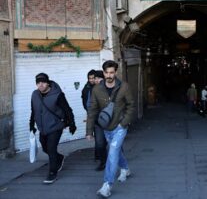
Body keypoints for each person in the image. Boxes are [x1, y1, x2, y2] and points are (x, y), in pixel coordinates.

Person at [86, 60, 135, 197]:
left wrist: (124, 123)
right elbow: (92, 110)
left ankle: (107, 185)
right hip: (105, 127)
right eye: (106, 72)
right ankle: (125, 169)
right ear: (103, 73)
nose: (109, 75)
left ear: (115, 72)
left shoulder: (124, 87)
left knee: (112, 152)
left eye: (111, 72)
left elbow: (131, 105)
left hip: (120, 127)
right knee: (116, 151)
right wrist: (89, 131)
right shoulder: (97, 89)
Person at [29, 73, 76, 184]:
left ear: (48, 83)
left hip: (55, 126)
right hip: (43, 128)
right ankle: (59, 158)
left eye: (43, 82)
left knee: (51, 148)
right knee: (45, 148)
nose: (40, 85)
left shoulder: (58, 95)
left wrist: (72, 123)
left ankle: (52, 173)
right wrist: (31, 125)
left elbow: (67, 110)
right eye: (38, 82)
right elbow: (33, 111)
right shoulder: (35, 95)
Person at [82, 69, 107, 171]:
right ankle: (103, 162)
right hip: (98, 122)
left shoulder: (111, 88)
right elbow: (90, 108)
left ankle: (121, 164)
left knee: (115, 145)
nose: (96, 80)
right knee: (100, 143)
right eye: (95, 78)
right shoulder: (92, 90)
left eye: (98, 78)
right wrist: (88, 131)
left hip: (111, 122)